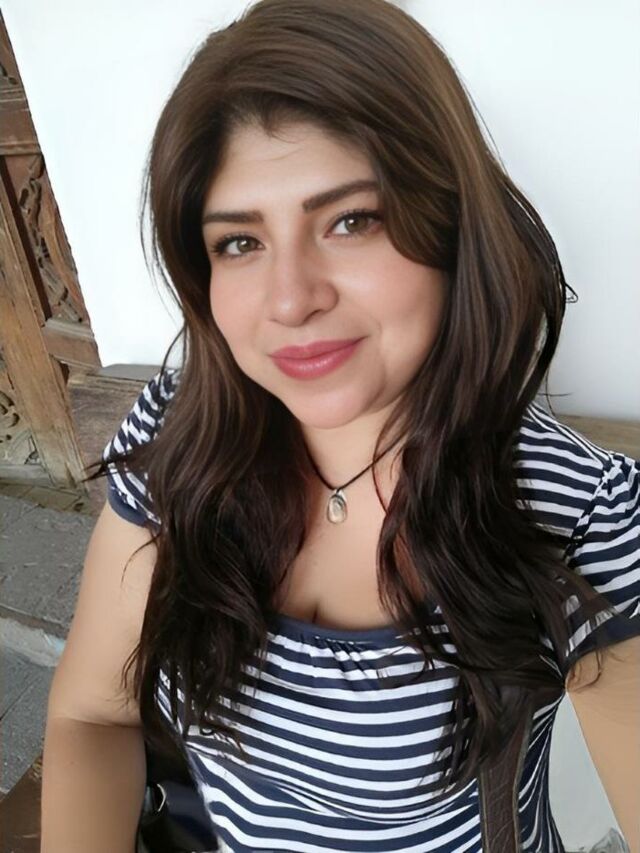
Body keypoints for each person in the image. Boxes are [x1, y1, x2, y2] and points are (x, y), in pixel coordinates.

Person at [40, 0, 640, 851]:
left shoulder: (571, 510)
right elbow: (93, 715)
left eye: (352, 220)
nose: (291, 299)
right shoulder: (182, 433)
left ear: (451, 227)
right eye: (239, 242)